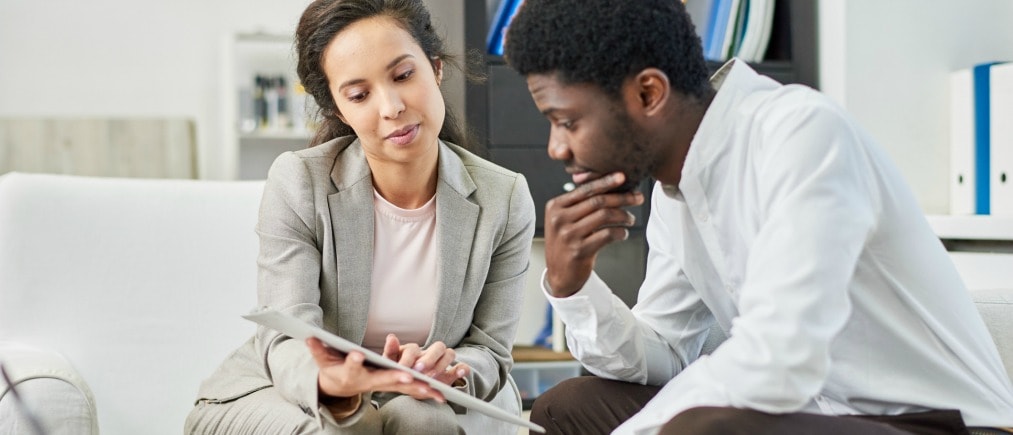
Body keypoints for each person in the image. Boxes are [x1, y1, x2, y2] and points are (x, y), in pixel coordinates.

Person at [502, 0, 1013, 434]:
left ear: (648, 94)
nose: (556, 148)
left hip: (936, 423)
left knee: (702, 427)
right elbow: (667, 357)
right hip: (814, 414)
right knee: (564, 408)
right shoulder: (674, 191)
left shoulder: (800, 133)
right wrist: (571, 286)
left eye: (566, 122)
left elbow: (781, 359)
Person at [185, 0, 536, 433]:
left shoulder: (504, 197)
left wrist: (453, 369)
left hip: (412, 394)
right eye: (359, 95)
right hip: (284, 393)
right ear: (337, 109)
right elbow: (286, 333)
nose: (391, 107)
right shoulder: (299, 181)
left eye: (404, 75)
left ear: (436, 68)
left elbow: (491, 350)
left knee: (425, 421)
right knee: (341, 429)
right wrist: (333, 383)